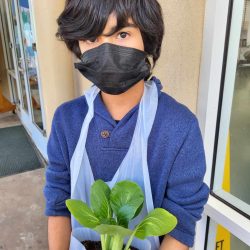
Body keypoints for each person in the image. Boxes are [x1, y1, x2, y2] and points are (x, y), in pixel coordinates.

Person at [43, 0, 210, 249]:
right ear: (77, 44)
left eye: (122, 34)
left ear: (148, 39)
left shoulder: (180, 127)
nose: (106, 50)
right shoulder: (66, 120)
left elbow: (181, 222)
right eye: (91, 38)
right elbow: (58, 203)